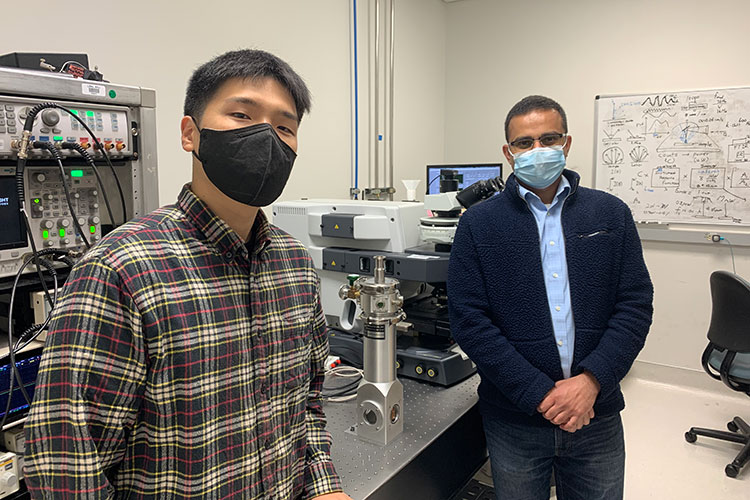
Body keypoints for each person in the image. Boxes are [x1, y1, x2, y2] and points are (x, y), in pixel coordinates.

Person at [24, 49, 352, 500]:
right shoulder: (121, 270)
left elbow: (307, 406)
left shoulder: (295, 265)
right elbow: (68, 466)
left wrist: (322, 487)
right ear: (190, 133)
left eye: (284, 127)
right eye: (241, 114)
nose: (267, 138)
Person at [447, 95, 653, 500]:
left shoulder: (611, 214)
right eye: (524, 143)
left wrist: (590, 382)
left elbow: (634, 305)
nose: (537, 150)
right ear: (508, 153)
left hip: (597, 413)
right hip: (515, 420)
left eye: (548, 138)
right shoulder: (477, 224)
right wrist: (540, 394)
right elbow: (469, 321)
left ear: (567, 143)